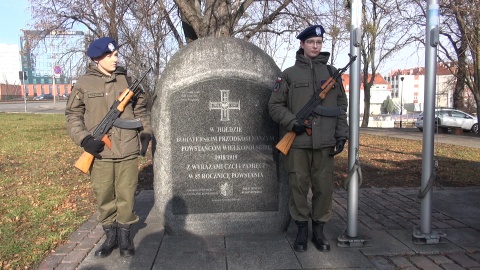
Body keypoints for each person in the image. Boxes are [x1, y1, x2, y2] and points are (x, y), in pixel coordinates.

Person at [65, 37, 152, 258]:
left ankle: (124, 238)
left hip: (127, 149)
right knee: (104, 195)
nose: (116, 58)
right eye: (110, 55)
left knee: (126, 194)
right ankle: (110, 237)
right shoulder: (83, 84)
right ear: (97, 58)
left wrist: (146, 132)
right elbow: (73, 115)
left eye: (115, 54)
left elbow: (142, 111)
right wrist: (84, 140)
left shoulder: (128, 80)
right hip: (100, 152)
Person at [268, 25, 348, 252]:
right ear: (302, 44)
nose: (315, 46)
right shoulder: (288, 75)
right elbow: (274, 106)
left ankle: (319, 231)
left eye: (319, 42)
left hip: (324, 144)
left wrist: (342, 134)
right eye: (311, 42)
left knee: (324, 189)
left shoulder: (332, 74)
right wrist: (292, 122)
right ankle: (302, 231)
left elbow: (341, 107)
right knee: (298, 188)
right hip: (298, 144)